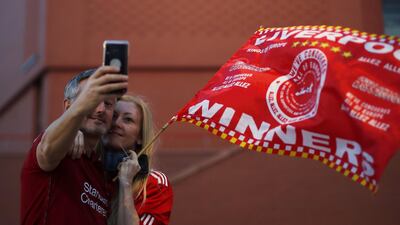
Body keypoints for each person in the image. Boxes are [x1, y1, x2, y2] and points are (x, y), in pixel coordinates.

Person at [20, 66, 128, 225]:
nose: (100, 109)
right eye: (92, 99)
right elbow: (47, 149)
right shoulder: (57, 147)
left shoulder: (104, 172)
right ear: (68, 106)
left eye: (108, 104)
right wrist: (73, 125)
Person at [71, 95, 174, 225]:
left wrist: (126, 183)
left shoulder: (155, 184)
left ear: (140, 137)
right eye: (113, 116)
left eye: (128, 120)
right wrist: (69, 136)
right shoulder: (84, 166)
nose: (116, 123)